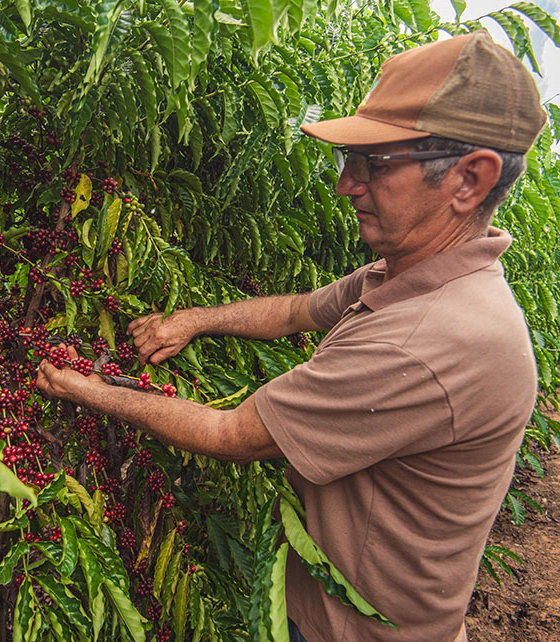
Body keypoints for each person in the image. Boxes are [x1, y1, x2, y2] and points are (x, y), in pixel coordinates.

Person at [36, 31, 546, 642]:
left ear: (469, 180)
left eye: (374, 164)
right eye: (348, 161)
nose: (346, 184)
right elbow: (298, 311)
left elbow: (234, 434)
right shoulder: (416, 276)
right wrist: (195, 318)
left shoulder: (427, 340)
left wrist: (91, 391)